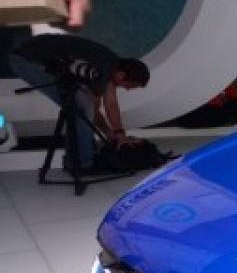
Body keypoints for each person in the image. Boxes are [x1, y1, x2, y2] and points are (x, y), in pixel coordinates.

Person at [9, 34, 148, 171]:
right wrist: (113, 133)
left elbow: (111, 104)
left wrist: (116, 133)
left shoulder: (112, 65)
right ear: (121, 75)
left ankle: (78, 158)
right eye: (130, 86)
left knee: (81, 106)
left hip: (32, 54)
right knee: (82, 107)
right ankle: (82, 164)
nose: (127, 89)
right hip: (27, 60)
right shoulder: (103, 68)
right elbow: (93, 108)